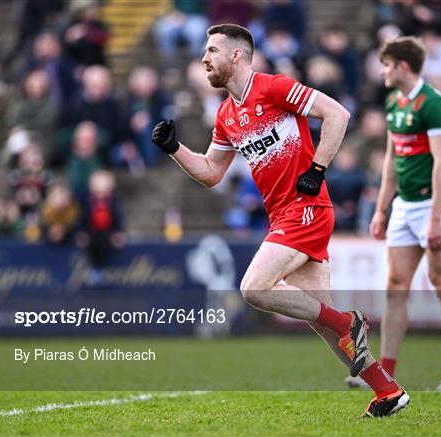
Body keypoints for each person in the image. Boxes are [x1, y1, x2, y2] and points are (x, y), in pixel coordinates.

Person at [151, 23, 409, 417]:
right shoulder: (225, 114)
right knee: (323, 323)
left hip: (306, 208)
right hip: (283, 216)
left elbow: (337, 114)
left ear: (236, 55)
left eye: (212, 51)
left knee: (253, 288)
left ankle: (349, 322)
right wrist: (174, 148)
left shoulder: (273, 88)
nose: (204, 58)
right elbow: (210, 171)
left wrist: (318, 169)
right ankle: (387, 391)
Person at [346, 36, 441, 392]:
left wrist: (434, 219)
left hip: (437, 202)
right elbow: (391, 160)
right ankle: (384, 374)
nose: (381, 70)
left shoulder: (434, 104)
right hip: (405, 203)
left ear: (402, 65)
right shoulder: (393, 101)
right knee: (396, 287)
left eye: (385, 64)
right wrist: (381, 208)